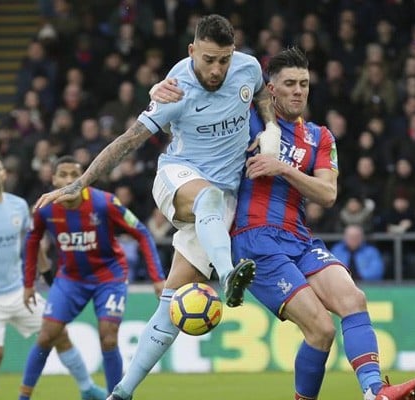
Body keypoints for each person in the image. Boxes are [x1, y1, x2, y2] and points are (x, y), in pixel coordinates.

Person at [33, 14, 280, 400]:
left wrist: (271, 126)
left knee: (172, 304)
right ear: (192, 51)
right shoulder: (174, 90)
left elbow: (262, 92)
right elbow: (128, 140)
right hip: (177, 178)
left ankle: (122, 392)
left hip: (221, 201)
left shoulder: (247, 67)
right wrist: (81, 183)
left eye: (224, 60)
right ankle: (229, 273)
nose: (217, 69)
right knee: (209, 198)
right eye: (209, 60)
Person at [231, 47, 415, 400]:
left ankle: (375, 392)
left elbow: (327, 194)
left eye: (304, 84)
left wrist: (282, 168)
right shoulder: (250, 122)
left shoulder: (319, 136)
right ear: (271, 89)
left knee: (354, 299)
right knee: (321, 330)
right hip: (255, 239)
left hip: (299, 239)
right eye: (289, 83)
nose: (298, 91)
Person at [0, 150, 105, 400]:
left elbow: (32, 242)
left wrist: (47, 275)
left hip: (18, 292)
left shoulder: (18, 206)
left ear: (4, 174)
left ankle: (87, 388)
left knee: (60, 333)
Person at [18, 156, 165, 399]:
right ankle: (23, 397)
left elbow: (142, 232)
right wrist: (27, 284)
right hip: (71, 278)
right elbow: (32, 240)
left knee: (108, 337)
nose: (69, 180)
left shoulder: (104, 202)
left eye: (75, 174)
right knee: (46, 336)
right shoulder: (45, 208)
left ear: (84, 178)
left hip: (109, 276)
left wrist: (157, 278)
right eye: (63, 175)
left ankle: (114, 396)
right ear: (53, 180)